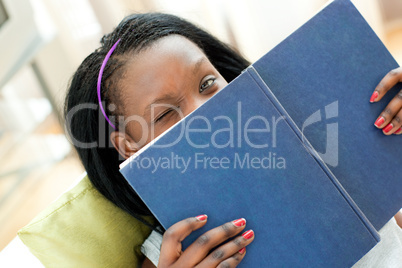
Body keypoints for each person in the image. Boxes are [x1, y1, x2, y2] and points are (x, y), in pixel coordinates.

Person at [64, 13, 402, 268]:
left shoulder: (320, 143)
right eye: (165, 113)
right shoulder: (175, 252)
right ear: (128, 146)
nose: (206, 110)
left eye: (208, 83)